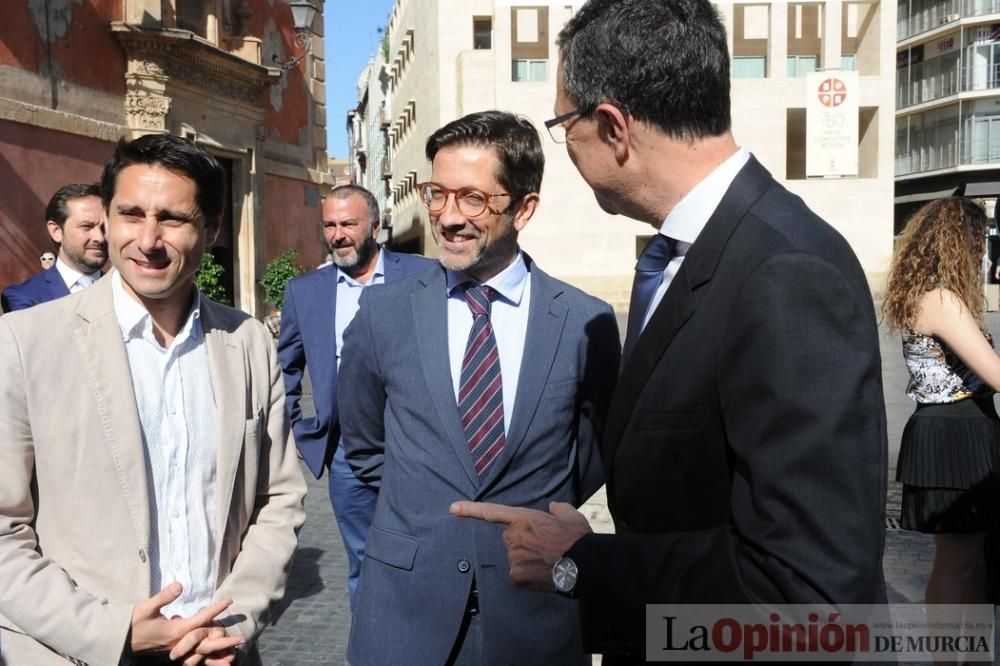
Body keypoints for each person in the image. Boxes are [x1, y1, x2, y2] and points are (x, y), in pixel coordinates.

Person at [451, 0, 888, 660]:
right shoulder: (682, 255)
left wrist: (584, 565)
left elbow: (809, 590)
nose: (564, 144)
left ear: (612, 127)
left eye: (562, 123)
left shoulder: (785, 273)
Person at [0, 134, 306, 665]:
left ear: (211, 229)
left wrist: (232, 621)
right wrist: (111, 631)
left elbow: (277, 501)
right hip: (76, 652)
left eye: (171, 218)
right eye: (130, 214)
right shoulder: (25, 343)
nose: (147, 239)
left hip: (217, 651)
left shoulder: (249, 342)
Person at [338, 110, 620, 665]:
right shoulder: (384, 312)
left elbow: (592, 456)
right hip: (404, 617)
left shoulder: (585, 322)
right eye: (437, 194)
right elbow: (366, 448)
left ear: (524, 208)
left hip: (533, 617)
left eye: (473, 199)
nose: (447, 217)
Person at [276, 184, 433, 608]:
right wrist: (296, 426)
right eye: (329, 224)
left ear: (376, 226)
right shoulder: (305, 292)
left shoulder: (424, 275)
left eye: (349, 223)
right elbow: (284, 368)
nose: (338, 234)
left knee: (428, 556)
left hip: (420, 447)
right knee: (364, 558)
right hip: (347, 454)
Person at [882, 198, 1000, 626]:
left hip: (961, 429)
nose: (983, 249)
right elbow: (995, 374)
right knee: (956, 562)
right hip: (956, 434)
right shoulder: (941, 299)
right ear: (959, 240)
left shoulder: (932, 294)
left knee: (974, 563)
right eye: (979, 238)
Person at [2, 183, 107, 312]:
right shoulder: (25, 297)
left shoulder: (127, 291)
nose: (100, 237)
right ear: (56, 231)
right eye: (86, 226)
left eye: (105, 227)